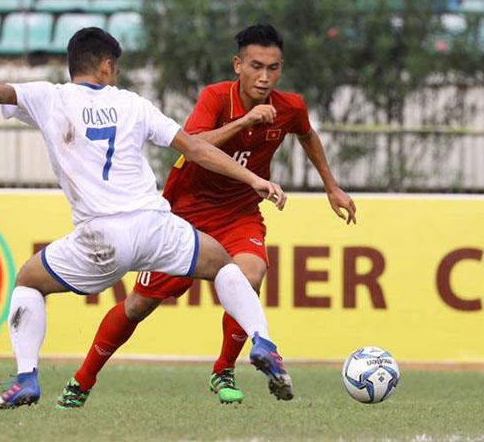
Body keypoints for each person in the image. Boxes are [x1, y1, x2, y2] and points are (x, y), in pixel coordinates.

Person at [0, 27, 293, 410]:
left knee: (28, 282)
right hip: (155, 226)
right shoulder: (134, 104)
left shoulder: (49, 96)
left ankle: (26, 378)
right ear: (106, 66)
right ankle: (262, 340)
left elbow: (3, 91)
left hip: (101, 237)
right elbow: (197, 148)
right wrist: (254, 179)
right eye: (115, 68)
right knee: (223, 264)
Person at [60, 24, 356, 408]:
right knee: (138, 306)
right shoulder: (216, 98)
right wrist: (246, 122)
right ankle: (82, 381)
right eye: (256, 66)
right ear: (238, 65)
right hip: (185, 218)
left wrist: (332, 186)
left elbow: (307, 133)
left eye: (273, 67)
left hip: (239, 215)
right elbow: (193, 144)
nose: (265, 77)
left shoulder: (290, 106)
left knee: (251, 276)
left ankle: (223, 370)